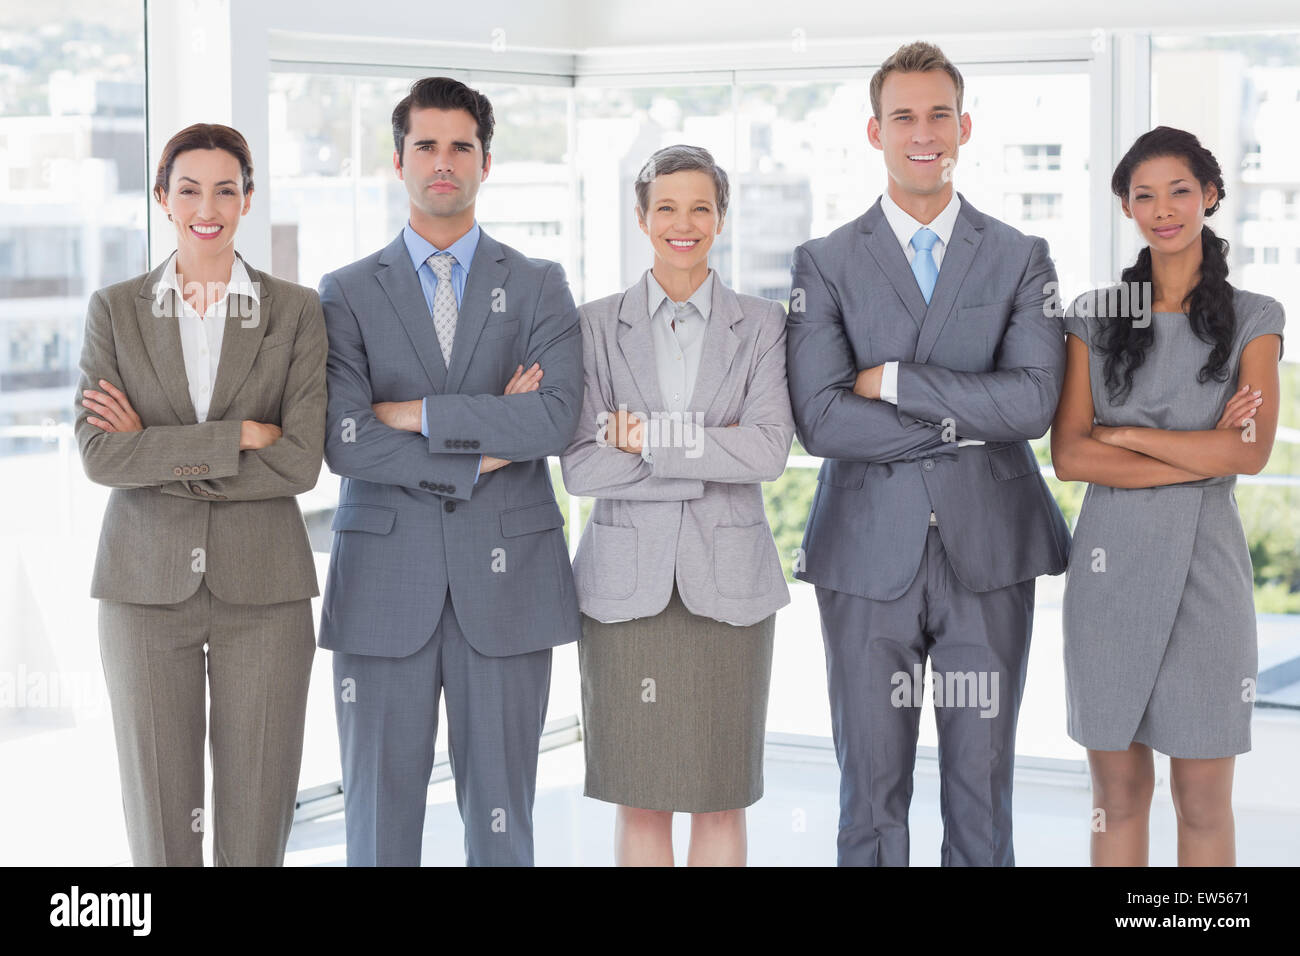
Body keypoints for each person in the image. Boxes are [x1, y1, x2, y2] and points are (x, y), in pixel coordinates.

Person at [785, 41, 1071, 866]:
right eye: (903, 116)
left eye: (938, 114)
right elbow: (822, 420)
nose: (923, 132)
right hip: (866, 554)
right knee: (869, 790)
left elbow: (1033, 403)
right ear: (875, 132)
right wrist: (970, 418)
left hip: (993, 547)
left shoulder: (1021, 256)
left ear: (965, 126)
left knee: (982, 790)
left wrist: (900, 380)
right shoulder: (826, 263)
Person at [317, 76, 583, 866]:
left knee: (503, 821)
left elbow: (552, 420)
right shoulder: (347, 292)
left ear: (486, 162)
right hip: (382, 584)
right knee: (376, 825)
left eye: (460, 146)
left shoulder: (540, 284)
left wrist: (414, 411)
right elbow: (346, 440)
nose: (443, 161)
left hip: (509, 584)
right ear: (397, 161)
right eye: (425, 145)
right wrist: (481, 442)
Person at [76, 123, 327, 866]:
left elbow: (302, 461)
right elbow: (98, 454)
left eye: (226, 188)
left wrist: (150, 449)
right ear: (162, 199)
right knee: (159, 827)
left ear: (248, 199)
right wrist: (238, 436)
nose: (206, 206)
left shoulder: (295, 311)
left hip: (267, 592)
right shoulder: (115, 310)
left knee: (257, 828)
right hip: (143, 589)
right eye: (188, 189)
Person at [1050, 126, 1283, 867]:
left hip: (1208, 580)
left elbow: (1249, 454)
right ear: (1125, 207)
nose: (1163, 208)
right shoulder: (1093, 315)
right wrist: (1199, 448)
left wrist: (1124, 437)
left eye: (1179, 190)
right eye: (1143, 195)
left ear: (1210, 195)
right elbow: (1068, 455)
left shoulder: (1256, 318)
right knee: (1115, 799)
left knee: (1203, 804)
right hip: (1108, 578)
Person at [561, 145, 794, 867]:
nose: (682, 223)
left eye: (700, 208)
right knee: (640, 796)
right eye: (666, 207)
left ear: (720, 219)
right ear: (642, 218)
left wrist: (649, 442)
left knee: (722, 795)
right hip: (624, 592)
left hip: (729, 589)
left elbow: (765, 454)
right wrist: (704, 452)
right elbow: (582, 466)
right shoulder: (594, 324)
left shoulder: (762, 324)